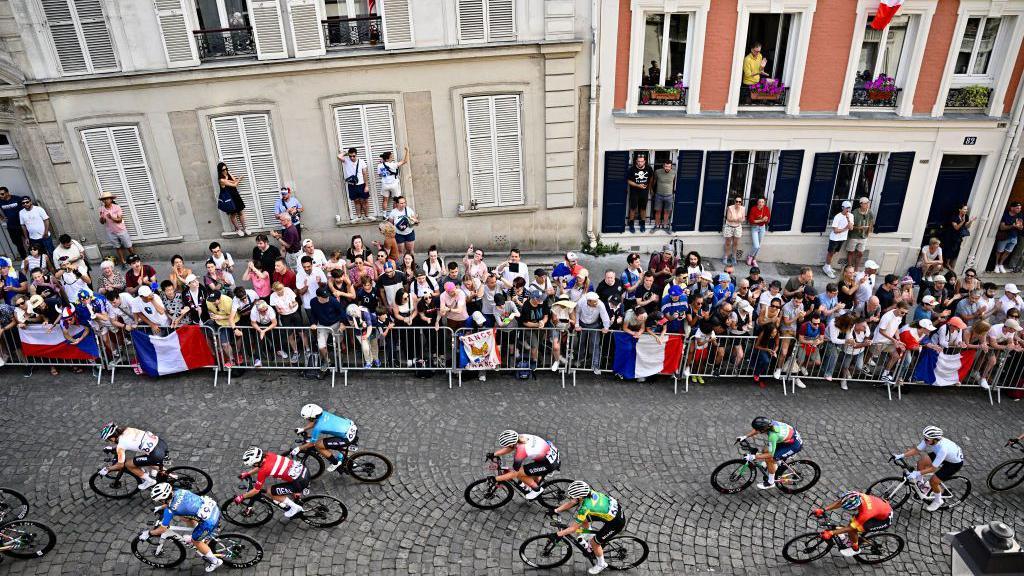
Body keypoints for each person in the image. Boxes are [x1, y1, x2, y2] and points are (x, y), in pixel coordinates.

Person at [144, 483, 223, 573]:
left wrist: (148, 533)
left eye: (160, 501)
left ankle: (215, 562)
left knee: (195, 540)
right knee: (184, 517)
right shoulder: (180, 491)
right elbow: (175, 502)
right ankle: (199, 532)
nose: (160, 502)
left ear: (163, 499)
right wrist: (161, 507)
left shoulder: (170, 510)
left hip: (210, 521)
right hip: (213, 509)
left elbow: (163, 529)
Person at [551, 481, 623, 575]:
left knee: (595, 543)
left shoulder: (585, 507)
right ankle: (588, 532)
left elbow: (573, 529)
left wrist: (558, 534)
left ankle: (601, 564)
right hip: (612, 511)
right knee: (584, 517)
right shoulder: (589, 492)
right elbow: (572, 502)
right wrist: (555, 510)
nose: (570, 497)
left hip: (616, 522)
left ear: (580, 497)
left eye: (572, 495)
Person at [894, 426, 964, 512]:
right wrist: (901, 455)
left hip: (954, 464)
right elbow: (916, 450)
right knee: (921, 462)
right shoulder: (931, 440)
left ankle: (938, 501)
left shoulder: (943, 448)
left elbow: (933, 469)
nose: (925, 440)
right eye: (925, 438)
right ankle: (921, 485)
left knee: (933, 481)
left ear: (935, 439)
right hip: (943, 455)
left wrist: (917, 473)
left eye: (927, 439)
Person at [812, 491, 893, 558]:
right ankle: (846, 534)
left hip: (883, 520)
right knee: (853, 523)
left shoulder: (865, 513)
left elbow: (851, 528)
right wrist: (823, 509)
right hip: (879, 509)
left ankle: (855, 547)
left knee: (853, 529)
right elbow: (841, 502)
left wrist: (831, 533)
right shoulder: (855, 495)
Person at [235, 447, 307, 518]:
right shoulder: (268, 455)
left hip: (300, 482)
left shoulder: (263, 471)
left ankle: (295, 507)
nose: (253, 466)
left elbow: (256, 491)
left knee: (270, 491)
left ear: (256, 463)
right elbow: (260, 466)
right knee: (284, 484)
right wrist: (248, 473)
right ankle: (295, 495)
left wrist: (242, 497)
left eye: (253, 464)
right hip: (303, 471)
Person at [491, 429, 560, 500]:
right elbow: (511, 447)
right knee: (531, 472)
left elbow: (515, 473)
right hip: (550, 454)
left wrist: (496, 479)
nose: (506, 447)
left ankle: (537, 490)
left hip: (549, 464)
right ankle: (536, 480)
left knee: (520, 474)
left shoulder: (521, 451)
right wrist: (494, 454)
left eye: (507, 445)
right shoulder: (521, 437)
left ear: (511, 444)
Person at [737, 416, 802, 489]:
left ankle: (771, 482)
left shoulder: (772, 436)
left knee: (770, 459)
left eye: (758, 429)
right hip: (788, 439)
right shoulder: (769, 423)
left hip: (793, 445)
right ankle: (776, 465)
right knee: (765, 450)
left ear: (763, 429)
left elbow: (770, 454)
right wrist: (745, 436)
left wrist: (753, 457)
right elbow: (757, 430)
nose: (755, 430)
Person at [97, 422, 164, 491]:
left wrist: (107, 469)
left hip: (156, 454)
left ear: (112, 437)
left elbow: (120, 465)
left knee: (128, 464)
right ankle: (167, 473)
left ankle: (150, 481)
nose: (110, 442)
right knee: (142, 459)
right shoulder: (128, 429)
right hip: (161, 444)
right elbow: (130, 441)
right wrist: (114, 448)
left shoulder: (120, 446)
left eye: (108, 440)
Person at [291, 403, 357, 472]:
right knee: (329, 444)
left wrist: (298, 448)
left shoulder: (318, 427)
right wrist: (303, 429)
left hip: (346, 438)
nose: (307, 420)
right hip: (351, 427)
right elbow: (314, 421)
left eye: (308, 418)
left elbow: (311, 443)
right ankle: (343, 458)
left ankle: (336, 463)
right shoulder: (324, 413)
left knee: (318, 445)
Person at [308, 286, 345, 374]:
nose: (327, 298)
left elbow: (341, 312)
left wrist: (342, 323)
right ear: (318, 297)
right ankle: (326, 360)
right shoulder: (313, 302)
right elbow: (313, 313)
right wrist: (313, 323)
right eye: (324, 297)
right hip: (322, 325)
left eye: (327, 296)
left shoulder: (333, 301)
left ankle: (340, 359)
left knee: (339, 343)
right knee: (321, 346)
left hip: (335, 324)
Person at [97, 191, 135, 266]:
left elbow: (119, 220)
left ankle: (135, 258)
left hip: (121, 230)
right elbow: (102, 222)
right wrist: (102, 218)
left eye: (107, 199)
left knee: (128, 245)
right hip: (111, 232)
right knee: (117, 247)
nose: (105, 200)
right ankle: (123, 261)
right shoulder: (101, 209)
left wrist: (111, 217)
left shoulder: (117, 207)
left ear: (111, 199)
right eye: (104, 199)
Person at [338, 147, 371, 222]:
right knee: (356, 201)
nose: (352, 158)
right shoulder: (346, 161)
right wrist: (345, 152)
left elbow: (365, 174)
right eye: (350, 156)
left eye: (353, 156)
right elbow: (339, 156)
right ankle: (359, 217)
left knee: (364, 201)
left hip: (361, 184)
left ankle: (367, 216)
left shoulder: (361, 161)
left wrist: (366, 186)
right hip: (352, 185)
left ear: (356, 155)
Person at [823, 201, 853, 279]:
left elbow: (851, 228)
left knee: (834, 252)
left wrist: (849, 222)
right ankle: (826, 268)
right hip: (835, 238)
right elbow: (835, 231)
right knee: (830, 253)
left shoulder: (851, 216)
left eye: (849, 208)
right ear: (843, 208)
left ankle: (827, 266)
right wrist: (845, 228)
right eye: (846, 208)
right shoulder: (837, 216)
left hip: (842, 238)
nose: (848, 210)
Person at [216, 161, 246, 237]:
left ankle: (245, 228)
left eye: (226, 169)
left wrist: (235, 179)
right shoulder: (221, 180)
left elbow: (234, 180)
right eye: (223, 170)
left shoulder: (228, 174)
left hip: (235, 196)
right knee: (233, 215)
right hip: (229, 198)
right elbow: (235, 184)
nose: (225, 171)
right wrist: (240, 178)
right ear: (220, 171)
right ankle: (238, 229)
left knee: (240, 212)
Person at [626, 154, 654, 233]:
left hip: (644, 192)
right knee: (633, 208)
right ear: (636, 161)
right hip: (634, 192)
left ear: (644, 161)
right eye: (638, 161)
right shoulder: (632, 169)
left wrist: (649, 187)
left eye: (642, 161)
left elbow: (651, 177)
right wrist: (638, 185)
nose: (640, 163)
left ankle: (642, 224)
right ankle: (631, 224)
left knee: (643, 209)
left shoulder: (648, 168)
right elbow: (628, 181)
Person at [942, 204, 975, 271]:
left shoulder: (966, 216)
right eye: (965, 209)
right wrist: (962, 221)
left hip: (958, 236)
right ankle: (946, 263)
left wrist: (971, 221)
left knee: (955, 250)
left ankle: (948, 263)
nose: (966, 210)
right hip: (950, 235)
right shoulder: (954, 217)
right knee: (949, 249)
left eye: (966, 209)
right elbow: (956, 227)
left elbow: (966, 226)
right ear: (960, 209)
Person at [377, 147, 410, 213]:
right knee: (395, 200)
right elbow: (405, 161)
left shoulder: (380, 165)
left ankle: (384, 215)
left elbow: (380, 175)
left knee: (385, 200)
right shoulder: (393, 165)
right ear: (387, 158)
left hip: (385, 184)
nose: (392, 158)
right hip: (393, 184)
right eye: (391, 157)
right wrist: (407, 151)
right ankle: (393, 214)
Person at [995, 201, 1024, 274]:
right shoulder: (1005, 215)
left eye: (1020, 208)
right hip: (1004, 237)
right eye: (1017, 208)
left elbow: (1020, 227)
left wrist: (1019, 226)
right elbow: (1002, 227)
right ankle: (996, 265)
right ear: (1012, 208)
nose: (1019, 209)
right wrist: (1012, 226)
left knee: (1008, 252)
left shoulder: (1020, 215)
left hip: (1014, 237)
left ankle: (1001, 264)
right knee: (999, 252)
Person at [847, 197, 874, 271]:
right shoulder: (854, 212)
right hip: (854, 236)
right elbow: (850, 225)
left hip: (864, 237)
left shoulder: (870, 212)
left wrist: (868, 233)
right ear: (861, 204)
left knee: (860, 253)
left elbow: (871, 223)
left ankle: (856, 269)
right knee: (851, 252)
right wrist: (859, 228)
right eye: (866, 203)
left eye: (868, 203)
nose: (867, 204)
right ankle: (849, 268)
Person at [0, 186, 27, 259]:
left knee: (30, 241)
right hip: (11, 226)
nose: (0, 196)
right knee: (18, 244)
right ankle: (25, 260)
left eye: (2, 194)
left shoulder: (17, 198)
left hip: (22, 225)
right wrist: (2, 218)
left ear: (7, 193)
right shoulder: (0, 201)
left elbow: (26, 207)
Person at [652, 160, 675, 231]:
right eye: (666, 166)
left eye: (669, 166)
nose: (667, 168)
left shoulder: (674, 173)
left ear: (671, 167)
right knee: (657, 211)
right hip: (659, 195)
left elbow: (674, 183)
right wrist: (652, 190)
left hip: (669, 196)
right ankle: (657, 226)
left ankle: (665, 226)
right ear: (663, 166)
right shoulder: (658, 172)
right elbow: (654, 182)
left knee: (667, 212)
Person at [747, 197, 770, 266]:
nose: (761, 203)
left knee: (759, 246)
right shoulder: (754, 209)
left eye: (762, 202)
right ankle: (750, 256)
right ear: (757, 202)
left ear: (764, 203)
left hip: (762, 228)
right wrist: (761, 220)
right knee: (756, 246)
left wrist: (764, 220)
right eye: (759, 202)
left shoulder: (766, 209)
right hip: (755, 228)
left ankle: (754, 259)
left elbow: (768, 219)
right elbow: (751, 220)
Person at [724, 196, 745, 265]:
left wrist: (737, 220)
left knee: (736, 243)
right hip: (729, 227)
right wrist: (737, 220)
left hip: (738, 227)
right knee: (728, 243)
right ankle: (726, 257)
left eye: (739, 202)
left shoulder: (743, 208)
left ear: (741, 202)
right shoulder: (730, 208)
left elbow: (743, 219)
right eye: (737, 201)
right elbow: (728, 218)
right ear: (734, 202)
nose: (738, 203)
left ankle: (734, 257)